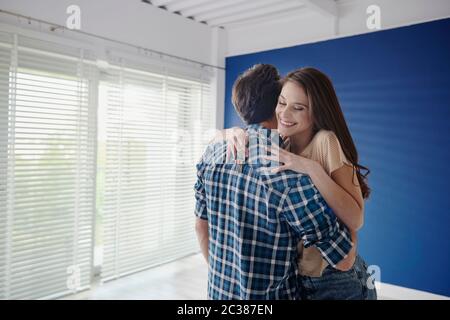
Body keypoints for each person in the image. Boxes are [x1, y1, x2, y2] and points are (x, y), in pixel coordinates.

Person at [194, 64, 353, 300]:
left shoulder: (211, 155)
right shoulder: (288, 176)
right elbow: (344, 259)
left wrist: (229, 283)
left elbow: (200, 227)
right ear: (277, 106)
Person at [225, 67, 377, 300]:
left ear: (316, 112)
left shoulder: (326, 142)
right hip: (297, 276)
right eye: (281, 103)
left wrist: (310, 168)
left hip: (333, 276)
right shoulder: (281, 143)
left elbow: (356, 219)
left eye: (298, 108)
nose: (284, 114)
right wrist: (230, 133)